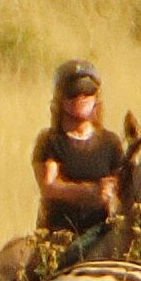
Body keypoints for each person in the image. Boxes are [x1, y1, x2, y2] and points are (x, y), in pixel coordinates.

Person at [32, 60, 128, 260]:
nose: (81, 98)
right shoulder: (50, 141)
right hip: (58, 238)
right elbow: (49, 185)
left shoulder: (111, 143)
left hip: (102, 235)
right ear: (60, 100)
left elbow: (120, 186)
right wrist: (91, 191)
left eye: (87, 92)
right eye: (73, 93)